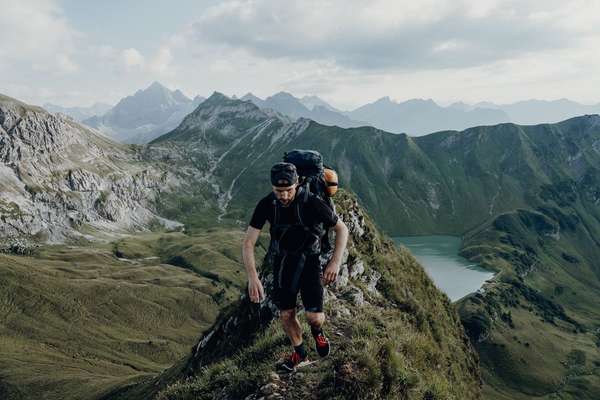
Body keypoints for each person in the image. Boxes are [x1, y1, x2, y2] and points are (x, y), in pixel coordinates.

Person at [242, 162, 349, 371]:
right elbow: (248, 243)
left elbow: (342, 229)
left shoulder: (312, 202)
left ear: (297, 183)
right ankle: (299, 354)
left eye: (288, 191)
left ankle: (318, 332)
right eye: (278, 191)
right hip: (284, 262)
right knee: (285, 315)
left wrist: (334, 262)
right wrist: (253, 277)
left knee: (314, 317)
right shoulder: (267, 204)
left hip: (310, 260)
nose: (283, 196)